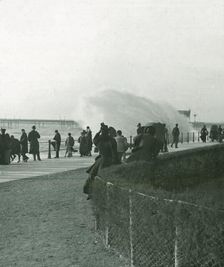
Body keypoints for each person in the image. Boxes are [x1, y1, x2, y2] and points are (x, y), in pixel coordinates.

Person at [84, 124, 118, 199]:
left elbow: (94, 140)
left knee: (92, 175)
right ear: (108, 132)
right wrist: (115, 161)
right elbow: (114, 152)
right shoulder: (112, 140)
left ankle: (90, 192)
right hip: (110, 159)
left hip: (102, 159)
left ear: (102, 132)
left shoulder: (99, 139)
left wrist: (98, 132)